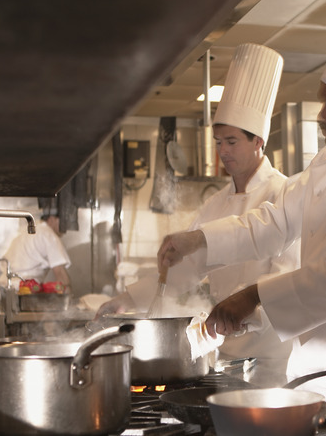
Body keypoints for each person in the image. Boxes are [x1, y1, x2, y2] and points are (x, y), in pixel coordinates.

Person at [158, 43, 326, 393]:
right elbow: (275, 222)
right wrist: (197, 240)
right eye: (323, 102)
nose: (322, 115)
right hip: (313, 355)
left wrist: (255, 295)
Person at [98, 44, 299, 379]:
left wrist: (229, 321)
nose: (222, 151)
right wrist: (126, 299)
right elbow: (185, 271)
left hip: (270, 361)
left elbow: (284, 281)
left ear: (258, 142)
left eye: (232, 142)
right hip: (222, 356)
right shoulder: (216, 203)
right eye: (218, 142)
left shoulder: (284, 193)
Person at [0, 210, 72, 294]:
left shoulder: (29, 230)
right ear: (51, 219)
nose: (66, 226)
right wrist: (69, 302)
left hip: (5, 290)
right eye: (64, 221)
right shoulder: (48, 234)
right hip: (23, 292)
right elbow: (61, 276)